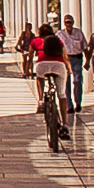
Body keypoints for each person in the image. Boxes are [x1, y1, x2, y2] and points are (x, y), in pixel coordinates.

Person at [31, 23, 72, 151]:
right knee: (62, 95)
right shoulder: (58, 40)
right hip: (59, 66)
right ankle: (65, 124)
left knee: (39, 77)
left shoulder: (36, 41)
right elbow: (65, 56)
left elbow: (29, 56)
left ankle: (41, 100)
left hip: (42, 65)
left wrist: (27, 70)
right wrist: (69, 69)